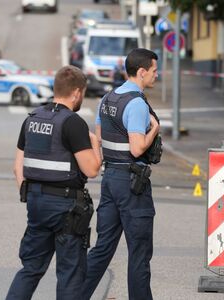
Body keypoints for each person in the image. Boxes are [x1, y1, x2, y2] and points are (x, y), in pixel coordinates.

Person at [7, 65, 102, 300]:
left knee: (31, 269)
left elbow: (18, 167)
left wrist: (31, 194)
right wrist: (95, 144)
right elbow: (91, 169)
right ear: (77, 92)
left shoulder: (32, 119)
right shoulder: (73, 123)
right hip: (66, 207)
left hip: (36, 203)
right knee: (70, 274)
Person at [83, 48, 161, 300]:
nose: (156, 75)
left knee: (102, 248)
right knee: (139, 253)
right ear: (142, 72)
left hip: (111, 179)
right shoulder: (136, 104)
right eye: (154, 70)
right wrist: (154, 129)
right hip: (132, 183)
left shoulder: (107, 99)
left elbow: (99, 138)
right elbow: (137, 148)